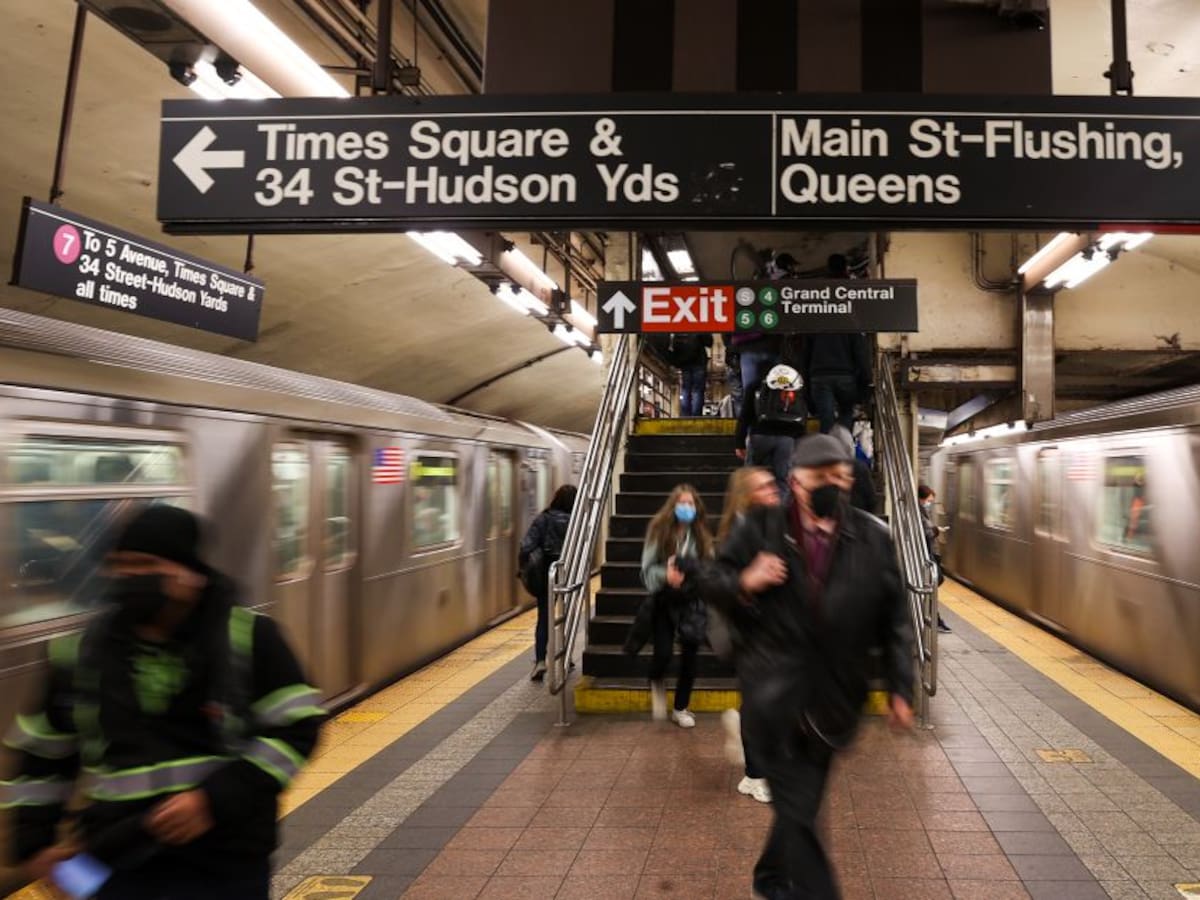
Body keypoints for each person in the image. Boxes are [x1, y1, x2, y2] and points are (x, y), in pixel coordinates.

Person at [1, 505, 325, 899]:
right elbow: (42, 752)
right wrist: (35, 842)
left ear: (191, 574)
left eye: (146, 564)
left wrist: (213, 800)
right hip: (114, 858)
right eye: (120, 565)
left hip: (225, 859)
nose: (130, 576)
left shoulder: (249, 638)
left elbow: (297, 729)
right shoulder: (78, 653)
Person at [698, 435, 914, 900]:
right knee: (799, 807)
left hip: (833, 700)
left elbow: (894, 618)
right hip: (772, 695)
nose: (831, 485)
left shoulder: (873, 537)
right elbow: (712, 581)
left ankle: (770, 879)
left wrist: (901, 687)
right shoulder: (760, 527)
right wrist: (745, 580)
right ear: (795, 481)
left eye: (840, 476)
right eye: (820, 477)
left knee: (802, 803)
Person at [623, 485, 714, 727]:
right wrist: (667, 575)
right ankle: (655, 678)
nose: (687, 508)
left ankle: (680, 708)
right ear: (673, 506)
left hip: (691, 601)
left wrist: (691, 570)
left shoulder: (700, 534)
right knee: (663, 652)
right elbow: (647, 569)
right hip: (664, 598)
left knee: (690, 658)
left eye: (691, 503)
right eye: (682, 503)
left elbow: (709, 567)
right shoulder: (659, 530)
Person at [715, 467, 780, 805]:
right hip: (750, 633)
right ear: (746, 495)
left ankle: (755, 757)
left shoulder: (768, 526)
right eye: (764, 487)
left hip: (771, 630)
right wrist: (749, 581)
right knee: (759, 703)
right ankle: (754, 776)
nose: (773, 490)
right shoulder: (738, 534)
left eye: (772, 484)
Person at [802, 255, 872, 434]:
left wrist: (805, 380)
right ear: (846, 267)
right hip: (845, 375)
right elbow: (860, 350)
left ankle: (828, 449)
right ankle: (843, 446)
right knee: (846, 414)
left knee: (826, 419)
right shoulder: (850, 314)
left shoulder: (816, 308)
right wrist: (866, 380)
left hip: (819, 375)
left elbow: (805, 351)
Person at [519, 484, 577, 682]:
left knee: (544, 618)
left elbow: (526, 547)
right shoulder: (576, 521)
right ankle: (566, 656)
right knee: (568, 615)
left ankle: (540, 661)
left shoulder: (543, 519)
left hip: (547, 575)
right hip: (570, 574)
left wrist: (524, 568)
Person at [736, 363, 809, 499]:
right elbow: (803, 413)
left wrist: (739, 442)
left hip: (760, 435)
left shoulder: (756, 385)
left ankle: (747, 506)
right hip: (787, 438)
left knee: (750, 476)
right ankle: (779, 509)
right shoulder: (795, 384)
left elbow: (745, 415)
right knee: (783, 480)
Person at [918, 485, 952, 634]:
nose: (930, 503)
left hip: (930, 553)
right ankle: (934, 619)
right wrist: (937, 530)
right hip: (926, 555)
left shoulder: (922, 510)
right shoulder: (918, 511)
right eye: (929, 500)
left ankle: (934, 618)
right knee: (934, 582)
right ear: (922, 498)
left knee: (934, 584)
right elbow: (926, 532)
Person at [830, 424, 877, 514]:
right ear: (850, 446)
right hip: (858, 517)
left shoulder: (822, 469)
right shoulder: (859, 468)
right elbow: (871, 500)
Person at [665, 333, 713, 417]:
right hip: (698, 362)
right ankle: (696, 416)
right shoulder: (699, 327)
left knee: (686, 389)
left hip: (684, 362)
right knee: (697, 390)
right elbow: (709, 342)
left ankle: (686, 415)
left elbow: (674, 345)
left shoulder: (679, 329)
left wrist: (675, 361)